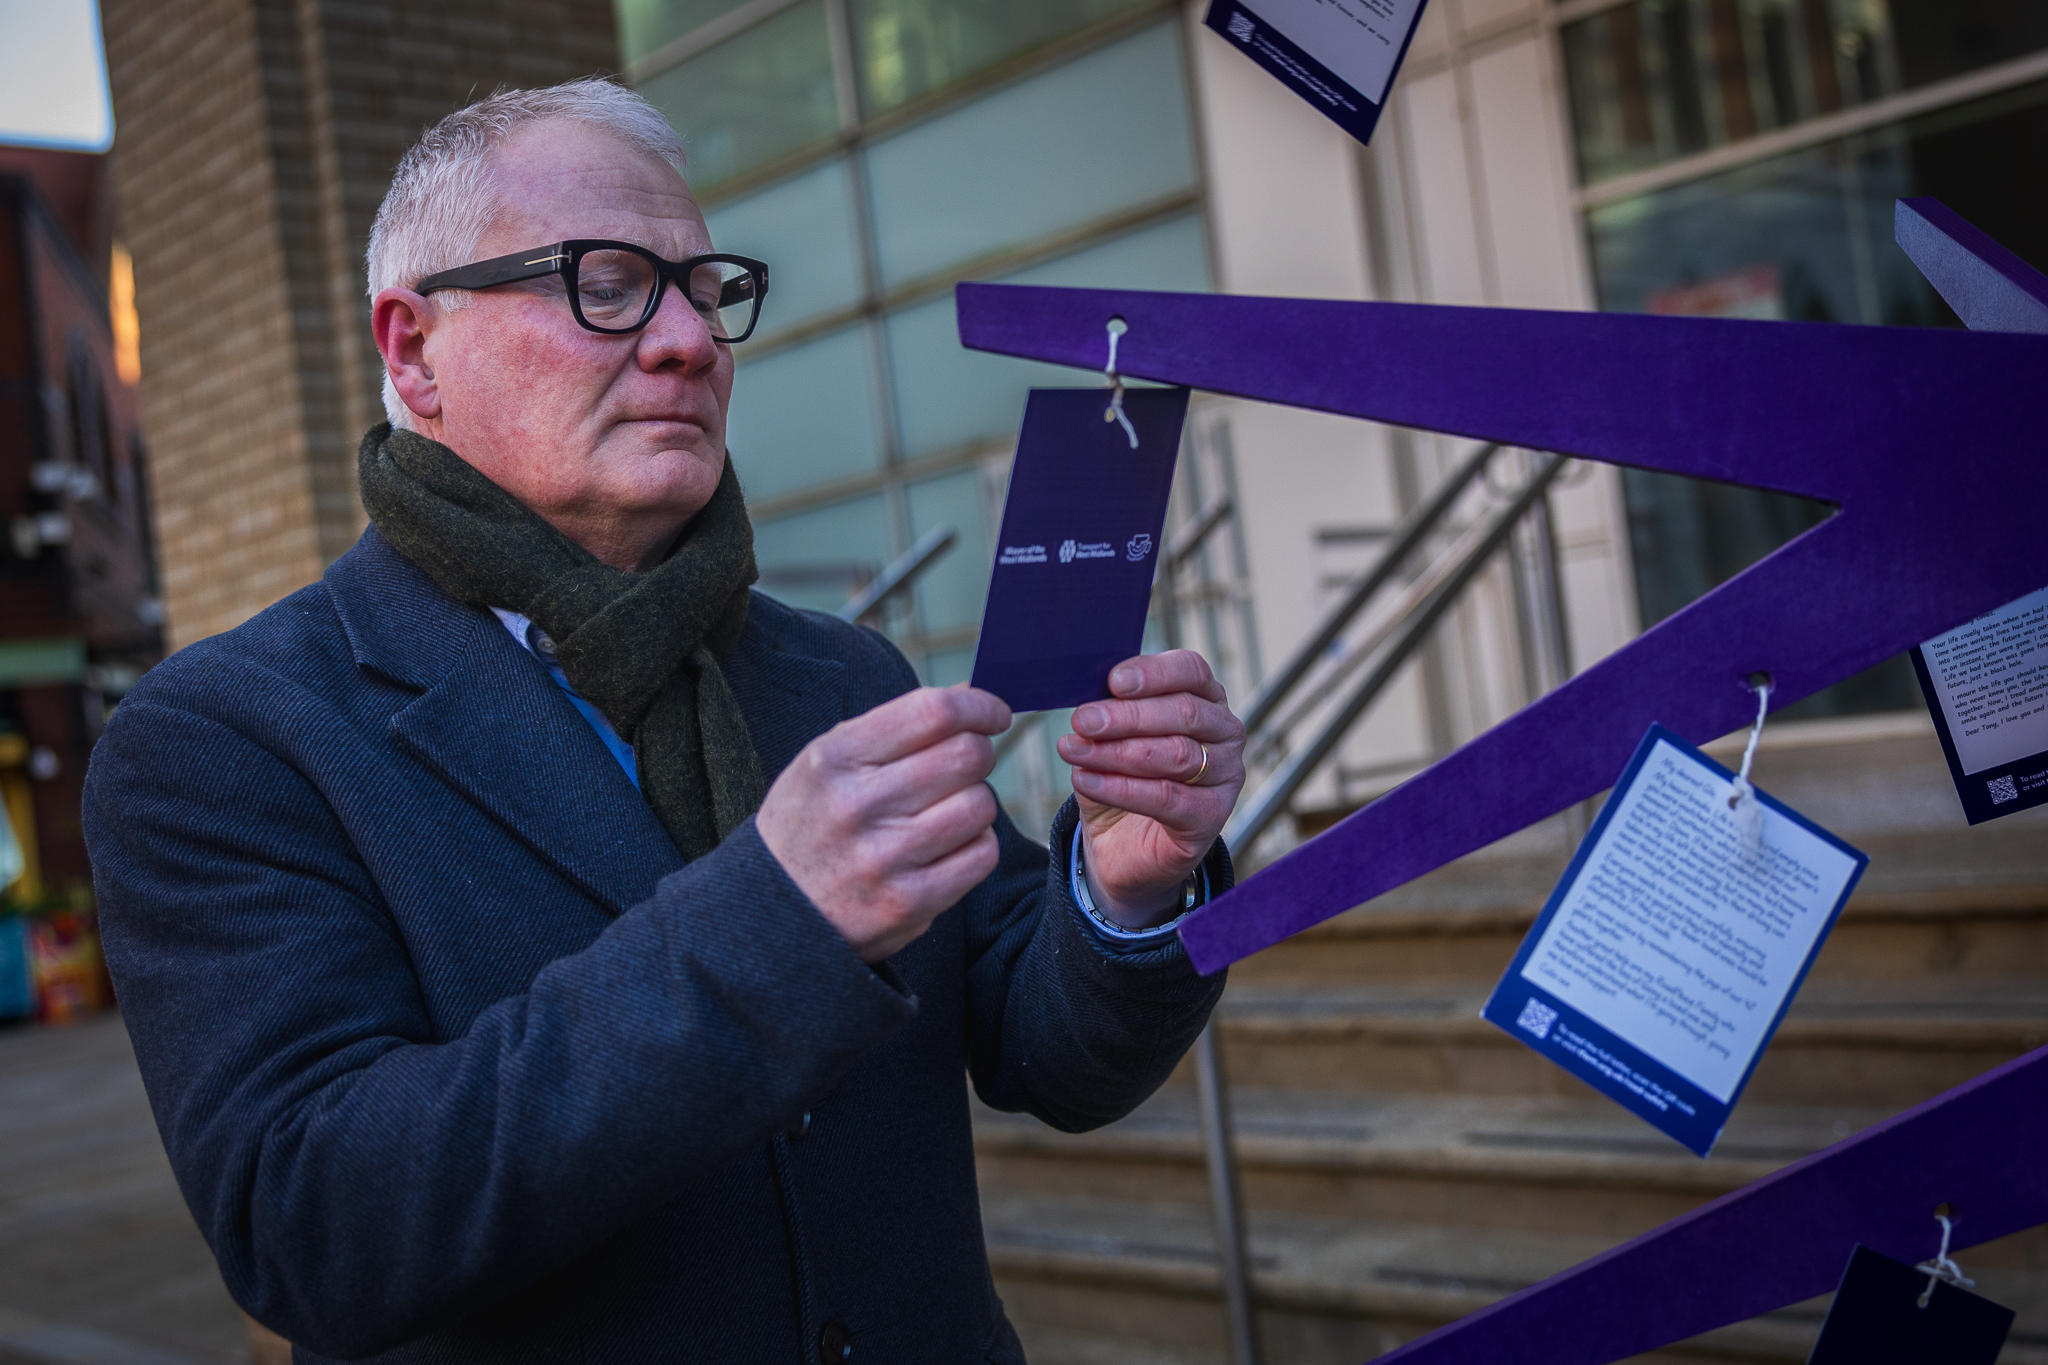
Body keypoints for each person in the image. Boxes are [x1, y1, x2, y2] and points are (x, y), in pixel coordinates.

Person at [82, 79, 1247, 1363]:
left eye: (704, 289)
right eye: (607, 282)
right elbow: (315, 1228)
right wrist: (774, 919)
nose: (688, 339)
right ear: (414, 349)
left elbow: (1051, 1055)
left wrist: (1123, 888)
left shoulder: (841, 674)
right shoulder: (224, 740)